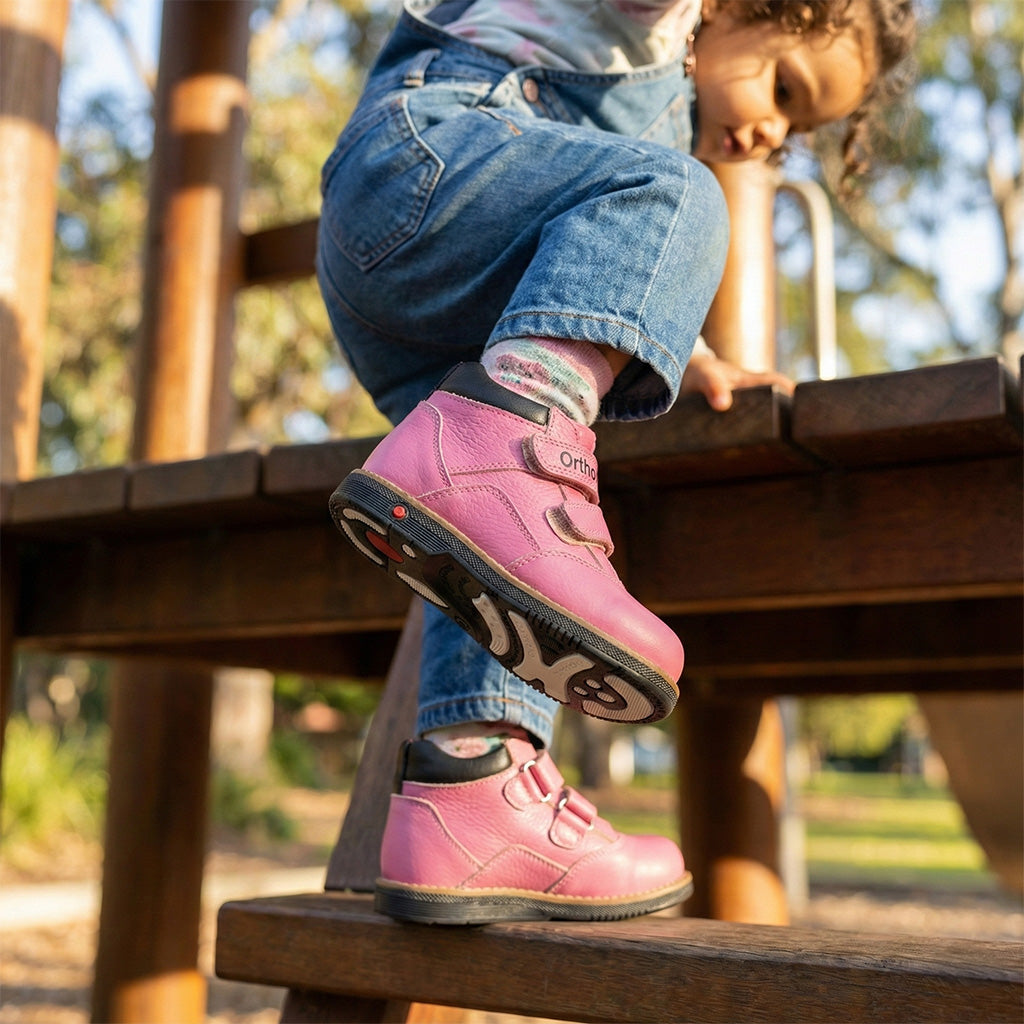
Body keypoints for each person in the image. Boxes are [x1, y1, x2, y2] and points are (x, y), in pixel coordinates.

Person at [317, 0, 915, 924]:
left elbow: (585, 241)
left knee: (498, 557)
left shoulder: (674, 102)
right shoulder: (649, 20)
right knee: (675, 193)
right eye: (784, 87)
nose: (770, 131)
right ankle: (507, 447)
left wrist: (671, 338)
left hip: (433, 312)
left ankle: (473, 787)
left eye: (796, 131)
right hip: (420, 175)